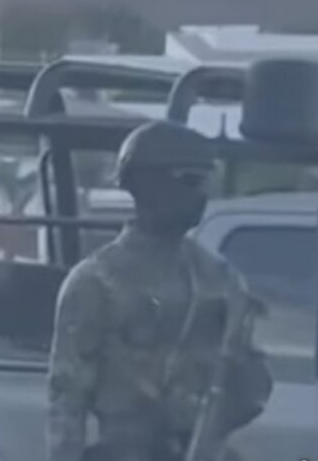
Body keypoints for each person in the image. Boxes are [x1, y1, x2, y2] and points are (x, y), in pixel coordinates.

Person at [47, 120, 272, 461]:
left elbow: (251, 387)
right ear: (146, 184)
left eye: (206, 180)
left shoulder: (220, 278)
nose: (202, 194)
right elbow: (66, 404)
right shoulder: (96, 282)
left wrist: (238, 386)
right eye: (189, 180)